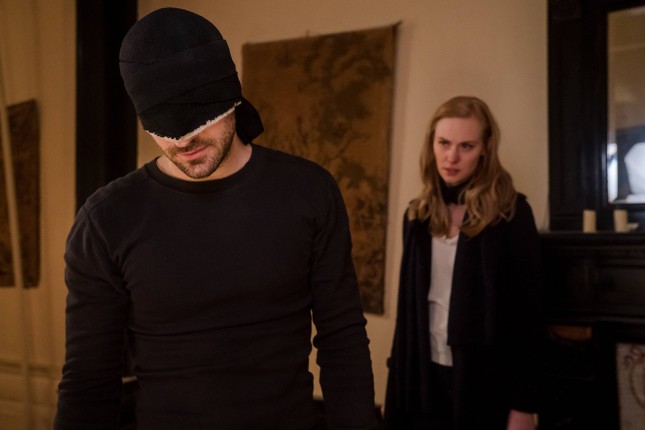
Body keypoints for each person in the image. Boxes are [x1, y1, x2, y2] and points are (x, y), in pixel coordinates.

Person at [54, 8, 377, 430]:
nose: (184, 140)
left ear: (231, 95)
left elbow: (342, 338)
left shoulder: (309, 192)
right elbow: (88, 381)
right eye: (164, 125)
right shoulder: (106, 221)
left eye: (195, 117)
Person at [383, 96, 544, 429]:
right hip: (422, 379)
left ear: (485, 148)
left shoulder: (512, 214)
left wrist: (524, 405)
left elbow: (528, 316)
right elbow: (408, 313)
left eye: (466, 146)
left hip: (486, 381)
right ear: (432, 143)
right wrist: (395, 391)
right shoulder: (418, 215)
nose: (451, 157)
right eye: (444, 143)